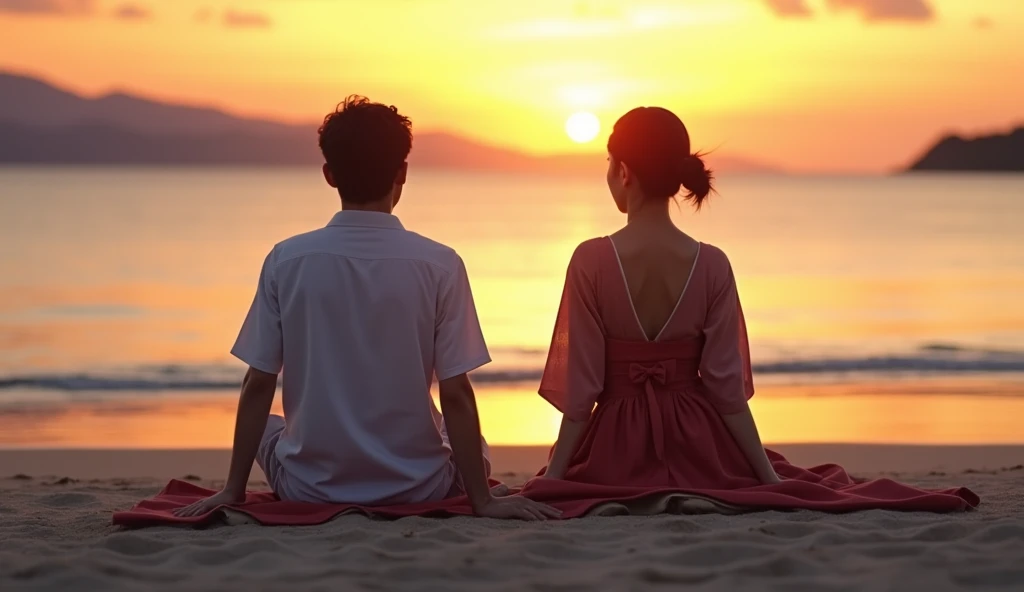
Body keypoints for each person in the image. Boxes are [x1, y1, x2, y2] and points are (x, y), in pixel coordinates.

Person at [532, 106, 977, 512]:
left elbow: (581, 391)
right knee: (741, 475)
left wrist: (555, 478)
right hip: (698, 440)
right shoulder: (712, 263)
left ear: (624, 171)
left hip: (617, 442)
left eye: (608, 165)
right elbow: (726, 389)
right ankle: (699, 488)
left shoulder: (590, 259)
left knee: (590, 481)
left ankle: (639, 491)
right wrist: (764, 476)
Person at [175, 96, 559, 521]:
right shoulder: (440, 263)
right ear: (403, 173)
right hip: (418, 486)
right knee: (464, 434)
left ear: (329, 174)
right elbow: (456, 393)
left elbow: (258, 381)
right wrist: (481, 500)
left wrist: (233, 488)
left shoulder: (287, 260)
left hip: (308, 488)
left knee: (269, 422)